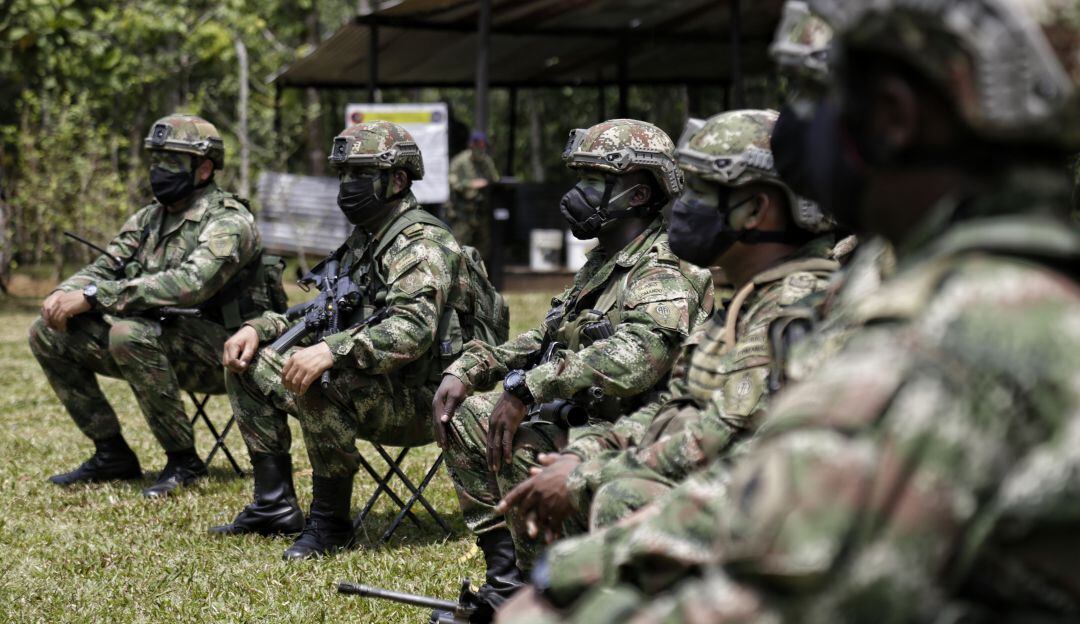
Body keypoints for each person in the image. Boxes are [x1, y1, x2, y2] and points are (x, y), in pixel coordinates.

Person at [500, 0, 1080, 620]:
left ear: (893, 116)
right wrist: (589, 558)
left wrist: (555, 605)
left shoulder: (945, 342)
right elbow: (762, 488)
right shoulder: (979, 292)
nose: (795, 129)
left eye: (813, 92)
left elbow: (778, 590)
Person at [496, 109, 840, 540]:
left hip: (785, 523)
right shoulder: (744, 305)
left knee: (625, 496)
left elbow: (714, 438)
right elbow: (679, 410)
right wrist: (591, 449)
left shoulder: (795, 312)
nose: (683, 206)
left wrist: (586, 471)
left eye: (703, 189)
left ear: (755, 209)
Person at [431, 118, 715, 619]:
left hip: (639, 436)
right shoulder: (605, 262)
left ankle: (550, 592)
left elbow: (638, 357)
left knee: (528, 448)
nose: (577, 194)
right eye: (579, 178)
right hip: (588, 419)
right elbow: (548, 335)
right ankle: (508, 583)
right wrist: (478, 364)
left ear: (636, 192)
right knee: (470, 415)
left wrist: (529, 387)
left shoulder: (661, 268)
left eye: (594, 181)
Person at [211, 121, 500, 561]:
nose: (348, 186)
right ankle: (274, 506)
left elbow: (412, 330)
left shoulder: (420, 244)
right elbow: (319, 310)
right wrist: (260, 328)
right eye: (343, 175)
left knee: (322, 380)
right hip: (379, 386)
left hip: (429, 401)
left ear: (397, 180)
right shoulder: (367, 240)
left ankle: (330, 523)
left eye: (359, 175)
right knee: (249, 364)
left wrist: (332, 350)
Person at [29, 113, 276, 499]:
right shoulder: (149, 218)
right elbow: (104, 266)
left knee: (129, 334)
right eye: (156, 161)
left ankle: (183, 461)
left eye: (172, 162)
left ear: (205, 168)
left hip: (229, 353)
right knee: (45, 332)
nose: (159, 171)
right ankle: (111, 454)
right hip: (161, 344)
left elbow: (191, 284)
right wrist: (63, 294)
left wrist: (95, 297)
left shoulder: (229, 221)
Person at [446, 130, 501, 260]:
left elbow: (495, 180)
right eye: (478, 145)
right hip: (462, 213)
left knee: (483, 249)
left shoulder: (486, 161)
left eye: (483, 145)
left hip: (480, 212)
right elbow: (452, 182)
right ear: (472, 145)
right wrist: (471, 184)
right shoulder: (460, 161)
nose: (480, 148)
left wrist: (487, 183)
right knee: (458, 248)